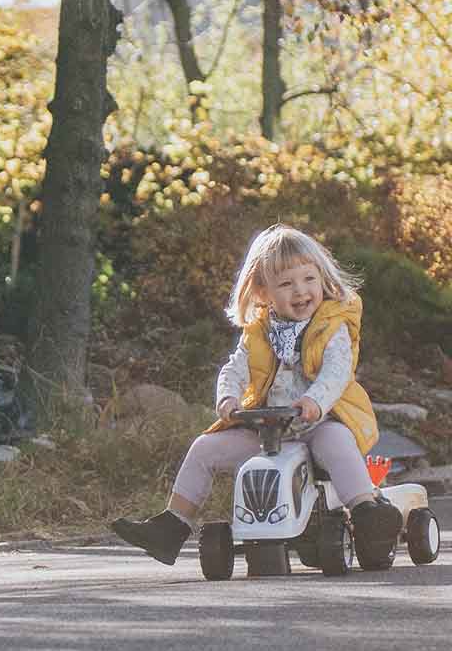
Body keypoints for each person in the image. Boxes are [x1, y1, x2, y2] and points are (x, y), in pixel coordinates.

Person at [111, 223, 401, 567]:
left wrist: (315, 401)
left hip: (320, 421)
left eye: (309, 279)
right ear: (263, 292)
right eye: (286, 283)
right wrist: (228, 399)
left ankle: (367, 513)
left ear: (322, 278)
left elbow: (337, 372)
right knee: (204, 448)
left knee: (338, 444)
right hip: (269, 429)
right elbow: (235, 368)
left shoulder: (332, 325)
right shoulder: (259, 332)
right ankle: (172, 525)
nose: (301, 291)